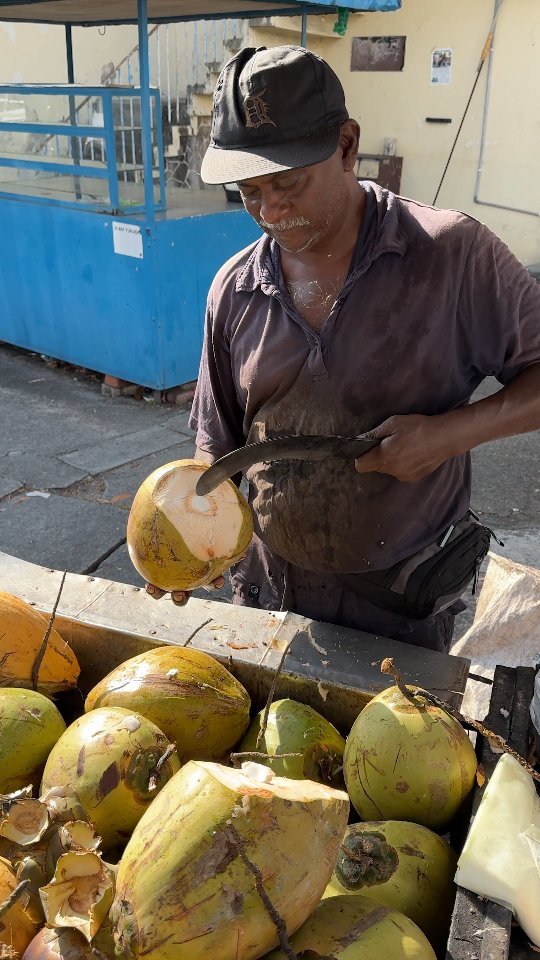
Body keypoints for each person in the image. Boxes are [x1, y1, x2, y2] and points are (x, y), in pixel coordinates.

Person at [147, 44, 540, 652]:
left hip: (399, 606)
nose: (270, 211)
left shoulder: (452, 256)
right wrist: (187, 541)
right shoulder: (234, 289)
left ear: (348, 145)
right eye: (248, 191)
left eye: (288, 184)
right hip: (268, 595)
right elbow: (216, 451)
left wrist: (446, 436)